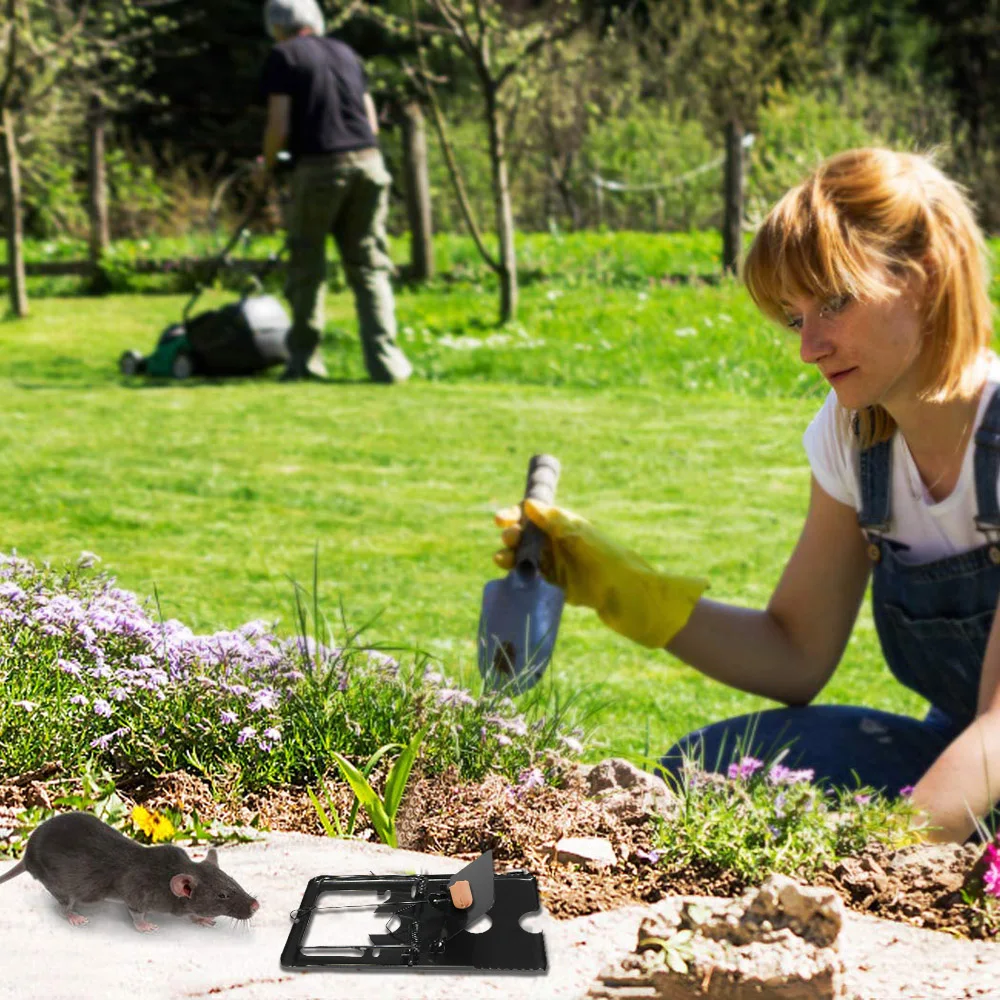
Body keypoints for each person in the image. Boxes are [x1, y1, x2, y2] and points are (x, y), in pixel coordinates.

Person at [493, 148, 1000, 845]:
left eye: (835, 302)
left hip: (989, 753)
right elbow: (794, 653)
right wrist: (626, 588)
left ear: (927, 275)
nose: (810, 347)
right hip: (969, 756)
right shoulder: (855, 436)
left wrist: (875, 864)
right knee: (705, 772)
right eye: (795, 319)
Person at [258, 0, 413, 384]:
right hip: (370, 164)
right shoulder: (347, 53)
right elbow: (371, 122)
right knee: (369, 264)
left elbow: (278, 125)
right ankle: (385, 363)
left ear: (276, 25)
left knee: (307, 263)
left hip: (320, 168)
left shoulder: (284, 56)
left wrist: (270, 163)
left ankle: (306, 363)